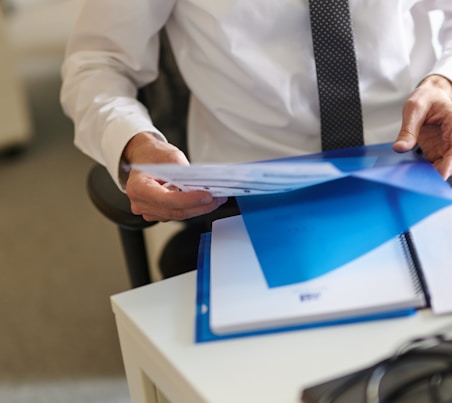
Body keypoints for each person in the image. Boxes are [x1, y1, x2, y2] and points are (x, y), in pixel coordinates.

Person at [61, 1, 452, 274]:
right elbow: (96, 64)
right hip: (249, 194)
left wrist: (445, 81)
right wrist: (133, 143)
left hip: (424, 161)